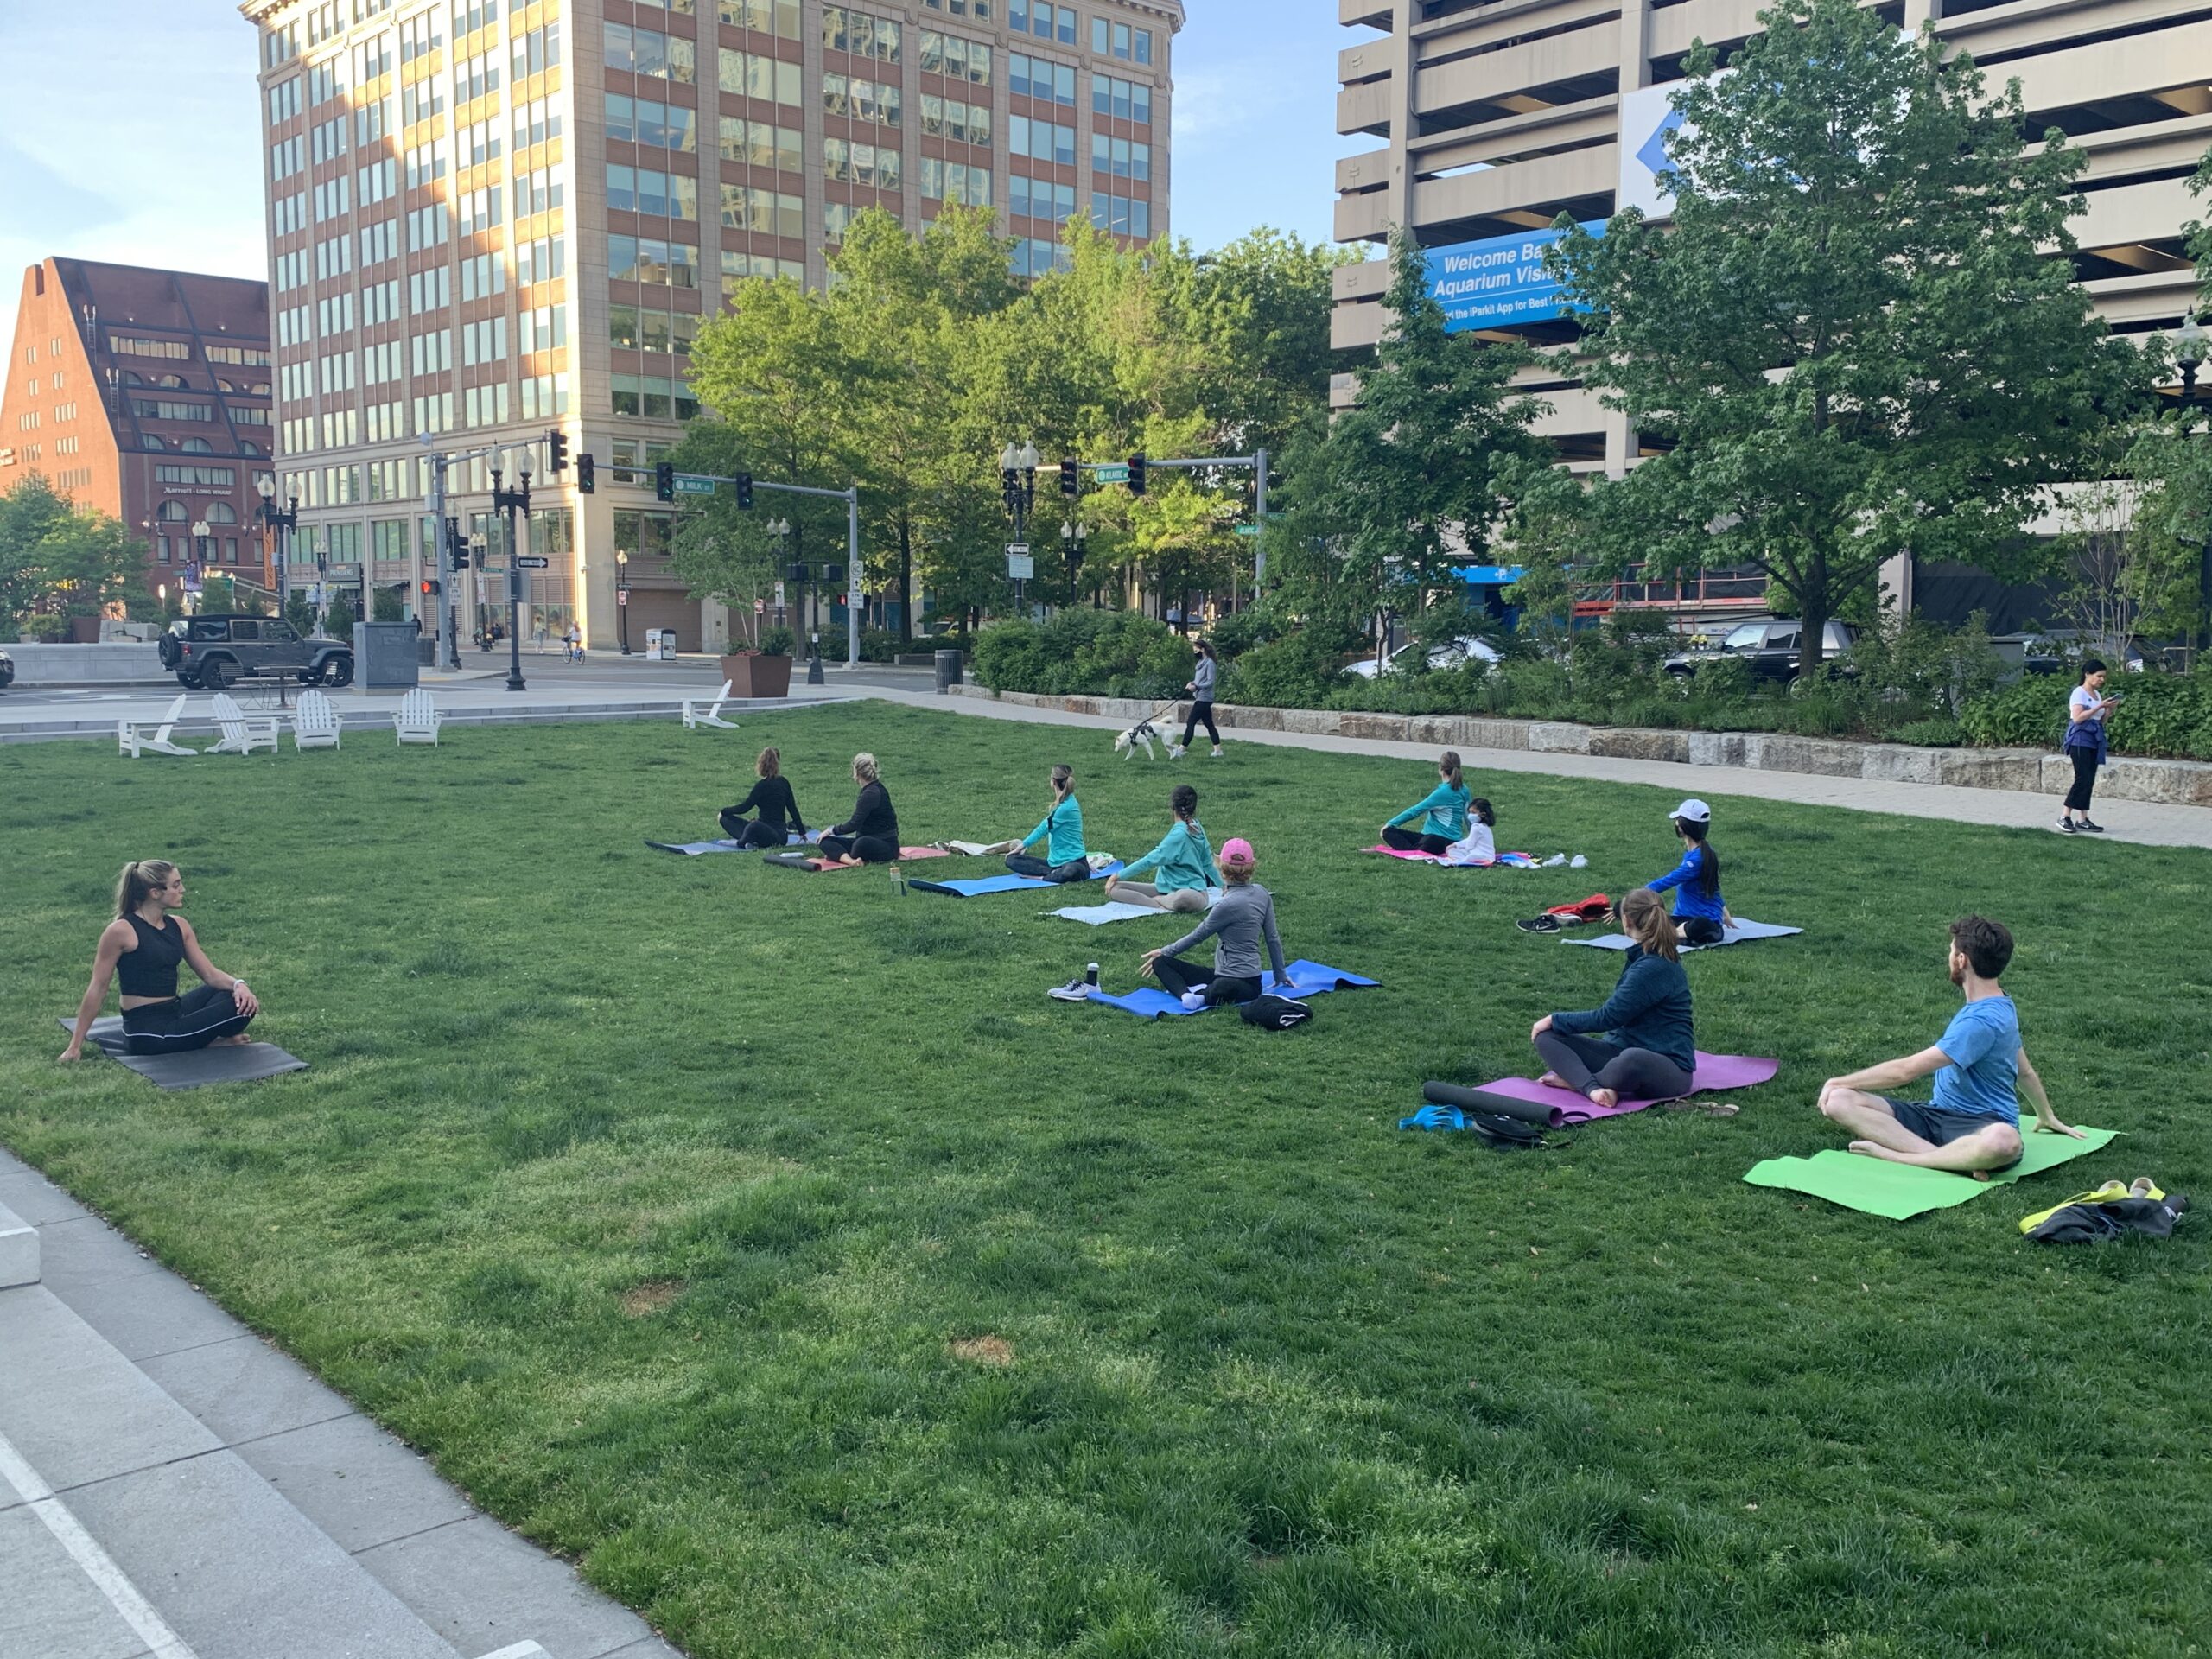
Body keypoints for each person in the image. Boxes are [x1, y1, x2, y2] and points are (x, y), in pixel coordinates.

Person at [1815, 916, 2081, 1173]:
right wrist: (2046, 1115)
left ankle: (1898, 1156)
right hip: (1936, 1116)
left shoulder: (1982, 1021)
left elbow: (1905, 1071)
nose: (1949, 957)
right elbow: (2024, 1071)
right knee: (1839, 1101)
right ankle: (1949, 1159)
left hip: (1982, 1126)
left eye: (1951, 951)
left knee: (2004, 1141)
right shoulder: (2001, 1005)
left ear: (1961, 960)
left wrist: (1838, 1079)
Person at [60, 861, 263, 1061]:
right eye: (176, 885)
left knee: (236, 996)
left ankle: (201, 1039)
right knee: (236, 1010)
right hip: (147, 1034)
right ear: (155, 892)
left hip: (174, 1012)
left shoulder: (179, 925)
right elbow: (98, 986)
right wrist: (75, 1046)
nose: (182, 889)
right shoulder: (121, 931)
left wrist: (239, 985)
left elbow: (209, 974)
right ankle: (205, 1041)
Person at [1529, 888, 1696, 1109]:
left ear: (1627, 922)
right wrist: (1553, 1026)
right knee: (1547, 1037)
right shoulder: (1644, 955)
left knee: (1631, 1060)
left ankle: (1581, 1083)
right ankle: (1594, 1088)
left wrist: (1554, 1019)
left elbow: (1608, 1017)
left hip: (1668, 1068)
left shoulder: (1654, 966)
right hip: (1619, 1050)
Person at [1140, 837, 1289, 1007]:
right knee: (1160, 962)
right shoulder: (1261, 893)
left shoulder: (1228, 904)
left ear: (1222, 869)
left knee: (1221, 987)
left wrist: (1166, 950)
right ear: (1251, 867)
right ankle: (1187, 996)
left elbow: (1198, 935)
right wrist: (1280, 974)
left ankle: (1200, 997)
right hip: (1222, 974)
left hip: (1246, 983)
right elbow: (1273, 938)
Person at [1103, 784, 1221, 912]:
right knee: (1116, 888)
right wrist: (1118, 877)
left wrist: (1224, 888)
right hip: (1164, 889)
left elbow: (1208, 864)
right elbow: (1151, 860)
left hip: (1192, 893)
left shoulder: (1192, 831)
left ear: (1172, 806)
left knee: (1185, 898)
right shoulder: (1182, 832)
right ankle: (1160, 902)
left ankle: (1158, 901)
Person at [1648, 798, 1730, 947]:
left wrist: (1631, 899)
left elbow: (1667, 881)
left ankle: (1673, 934)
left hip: (1705, 925)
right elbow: (1713, 885)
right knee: (1652, 918)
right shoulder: (1703, 852)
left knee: (1699, 924)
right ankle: (1677, 933)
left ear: (1682, 827)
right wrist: (1724, 911)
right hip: (1683, 918)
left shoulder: (1698, 859)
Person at [2059, 659, 2118, 834]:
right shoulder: (2079, 693)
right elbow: (2077, 718)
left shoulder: (2097, 695)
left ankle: (2083, 818)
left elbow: (2100, 721)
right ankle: (2065, 816)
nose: (2102, 680)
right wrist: (2099, 706)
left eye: (2104, 677)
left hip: (2094, 739)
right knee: (2082, 777)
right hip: (2080, 739)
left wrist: (2107, 711)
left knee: (2089, 779)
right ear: (2088, 675)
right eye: (2099, 676)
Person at [1006, 765, 1092, 882]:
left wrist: (1022, 846)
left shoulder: (1067, 808)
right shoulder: (1065, 803)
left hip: (1075, 863)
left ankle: (1049, 876)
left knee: (1070, 871)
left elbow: (1043, 829)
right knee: (1012, 860)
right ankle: (1055, 873)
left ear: (1053, 782)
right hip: (1054, 864)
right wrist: (1020, 848)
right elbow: (1044, 827)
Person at [1382, 753, 1474, 855]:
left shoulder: (1443, 793)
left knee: (1387, 832)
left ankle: (1413, 852)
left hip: (1440, 841)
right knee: (1395, 833)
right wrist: (1473, 840)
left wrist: (1390, 823)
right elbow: (1469, 817)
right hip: (1437, 839)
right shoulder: (1464, 789)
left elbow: (1415, 811)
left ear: (1441, 768)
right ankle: (1415, 849)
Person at [819, 752, 900, 864]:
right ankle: (851, 861)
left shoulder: (871, 793)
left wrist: (831, 830)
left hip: (885, 846)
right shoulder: (871, 789)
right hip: (867, 838)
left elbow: (854, 824)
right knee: (825, 841)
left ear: (856, 773)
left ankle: (847, 858)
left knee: (860, 844)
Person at [720, 747, 806, 849]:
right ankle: (752, 842)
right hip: (767, 830)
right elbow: (793, 809)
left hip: (777, 836)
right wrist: (802, 831)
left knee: (754, 825)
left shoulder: (764, 785)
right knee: (727, 819)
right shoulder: (783, 782)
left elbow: (744, 807)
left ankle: (740, 843)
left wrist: (723, 811)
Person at [1168, 639, 1223, 759]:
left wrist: (1197, 686)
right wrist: (1192, 683)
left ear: (1203, 649)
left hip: (1205, 698)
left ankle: (1182, 749)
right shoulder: (1201, 663)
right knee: (1209, 725)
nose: (1195, 652)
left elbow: (1210, 682)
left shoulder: (1210, 664)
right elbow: (1199, 680)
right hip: (1199, 696)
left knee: (1191, 722)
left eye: (1196, 650)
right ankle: (1218, 751)